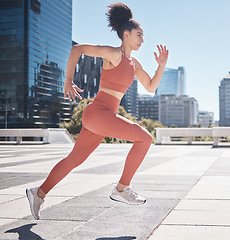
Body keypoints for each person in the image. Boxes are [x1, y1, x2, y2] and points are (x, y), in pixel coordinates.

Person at [26, 3, 168, 220]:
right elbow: (77, 49)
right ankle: (121, 189)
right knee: (144, 138)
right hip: (98, 113)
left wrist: (161, 66)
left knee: (75, 159)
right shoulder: (114, 54)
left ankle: (39, 193)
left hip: (103, 118)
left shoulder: (134, 63)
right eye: (139, 35)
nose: (142, 40)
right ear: (126, 34)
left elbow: (150, 87)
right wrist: (68, 81)